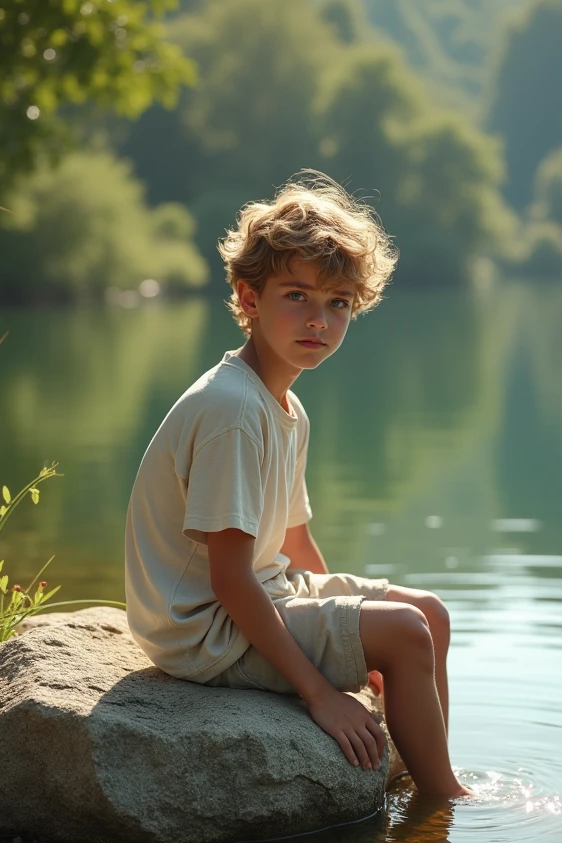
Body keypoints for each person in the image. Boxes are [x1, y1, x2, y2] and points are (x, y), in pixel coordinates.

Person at [125, 171, 471, 799]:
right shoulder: (233, 410)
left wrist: (355, 636)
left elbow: (294, 541)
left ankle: (407, 769)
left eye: (338, 303)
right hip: (202, 631)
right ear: (249, 298)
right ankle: (445, 802)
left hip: (259, 592)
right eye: (297, 296)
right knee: (405, 632)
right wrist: (323, 694)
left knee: (428, 615)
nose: (319, 320)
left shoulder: (284, 405)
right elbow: (229, 578)